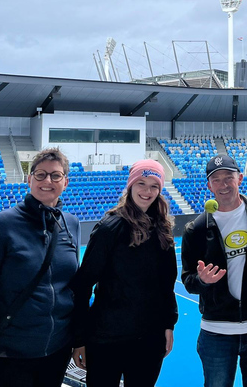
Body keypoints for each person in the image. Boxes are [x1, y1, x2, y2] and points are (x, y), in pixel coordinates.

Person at [0, 148, 81, 387]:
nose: (47, 181)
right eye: (40, 174)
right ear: (29, 179)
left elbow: (73, 289)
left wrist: (79, 339)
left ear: (66, 182)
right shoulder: (2, 225)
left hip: (56, 352)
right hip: (8, 355)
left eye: (55, 175)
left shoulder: (70, 224)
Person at [71, 159, 178, 387]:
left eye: (154, 186)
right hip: (107, 338)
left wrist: (168, 324)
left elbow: (166, 285)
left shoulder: (161, 228)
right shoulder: (110, 228)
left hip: (149, 339)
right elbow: (83, 285)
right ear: (130, 185)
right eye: (141, 183)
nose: (147, 191)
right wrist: (79, 338)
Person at [181, 154, 247, 387]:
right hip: (216, 330)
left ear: (240, 178)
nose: (223, 184)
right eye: (216, 179)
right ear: (209, 185)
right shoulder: (195, 229)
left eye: (229, 177)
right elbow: (188, 280)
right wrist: (203, 280)